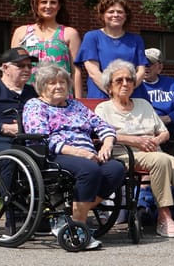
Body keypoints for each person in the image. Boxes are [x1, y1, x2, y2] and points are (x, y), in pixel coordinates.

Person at [93, 60, 174, 238]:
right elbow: (103, 135)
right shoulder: (104, 108)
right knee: (161, 160)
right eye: (119, 80)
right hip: (125, 154)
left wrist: (155, 140)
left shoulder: (143, 104)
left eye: (129, 80)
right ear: (109, 86)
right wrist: (136, 141)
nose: (125, 84)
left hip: (153, 151)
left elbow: (163, 132)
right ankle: (164, 216)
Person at [22, 65, 124, 249]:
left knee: (116, 168)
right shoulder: (35, 106)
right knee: (89, 169)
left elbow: (102, 125)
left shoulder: (76, 105)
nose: (58, 86)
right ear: (41, 87)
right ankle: (80, 229)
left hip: (88, 155)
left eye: (62, 82)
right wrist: (79, 153)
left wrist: (107, 144)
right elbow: (40, 139)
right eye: (52, 83)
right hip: (55, 155)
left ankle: (74, 218)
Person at [10, 0, 82, 97]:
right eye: (43, 2)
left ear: (59, 6)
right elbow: (12, 68)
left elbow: (75, 71)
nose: (48, 6)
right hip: (27, 95)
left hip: (60, 97)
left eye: (53, 2)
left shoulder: (70, 33)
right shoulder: (21, 32)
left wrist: (79, 101)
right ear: (37, 5)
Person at [75, 0, 148, 99]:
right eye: (111, 11)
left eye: (120, 12)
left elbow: (141, 71)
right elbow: (93, 72)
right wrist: (114, 93)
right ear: (102, 15)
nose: (115, 15)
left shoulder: (136, 39)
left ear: (126, 16)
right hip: (102, 96)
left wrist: (126, 92)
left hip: (134, 97)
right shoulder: (92, 37)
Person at [133, 48, 174, 136]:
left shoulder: (173, 84)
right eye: (143, 63)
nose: (146, 66)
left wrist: (168, 118)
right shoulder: (134, 85)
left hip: (170, 131)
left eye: (149, 64)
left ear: (160, 66)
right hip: (142, 131)